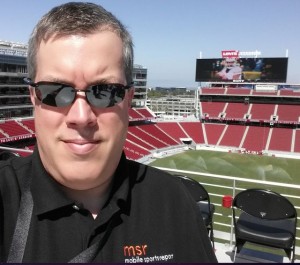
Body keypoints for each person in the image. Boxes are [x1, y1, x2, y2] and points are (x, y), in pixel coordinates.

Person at [0, 2, 217, 263]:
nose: (81, 117)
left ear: (128, 100)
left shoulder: (173, 202)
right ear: (34, 98)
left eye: (105, 92)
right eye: (54, 91)